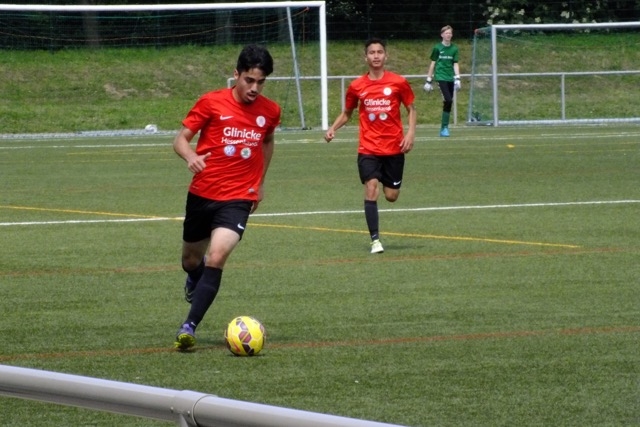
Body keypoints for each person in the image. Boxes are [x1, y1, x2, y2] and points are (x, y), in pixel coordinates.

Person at [172, 44, 281, 351]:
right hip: (202, 193)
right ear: (236, 75)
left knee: (217, 256)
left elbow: (268, 140)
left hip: (239, 197)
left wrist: (260, 182)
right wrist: (191, 157)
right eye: (249, 80)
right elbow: (180, 140)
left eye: (261, 82)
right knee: (190, 260)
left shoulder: (270, 111)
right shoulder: (211, 102)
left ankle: (189, 326)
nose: (255, 88)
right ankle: (194, 277)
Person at [324, 37, 416, 254]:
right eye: (372, 52)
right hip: (368, 148)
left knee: (391, 196)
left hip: (394, 148)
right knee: (371, 186)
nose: (376, 56)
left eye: (379, 52)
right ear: (365, 57)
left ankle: (385, 179)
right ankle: (375, 240)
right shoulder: (357, 86)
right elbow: (347, 113)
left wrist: (411, 133)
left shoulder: (398, 82)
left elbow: (411, 108)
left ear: (386, 56)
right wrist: (332, 128)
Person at [423, 25, 461, 137]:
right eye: (446, 33)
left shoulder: (454, 49)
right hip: (440, 77)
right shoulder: (437, 48)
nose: (448, 35)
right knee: (448, 100)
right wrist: (428, 80)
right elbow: (433, 63)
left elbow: (455, 63)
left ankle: (444, 128)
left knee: (449, 102)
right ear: (442, 35)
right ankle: (444, 128)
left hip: (450, 77)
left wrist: (458, 78)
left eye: (450, 33)